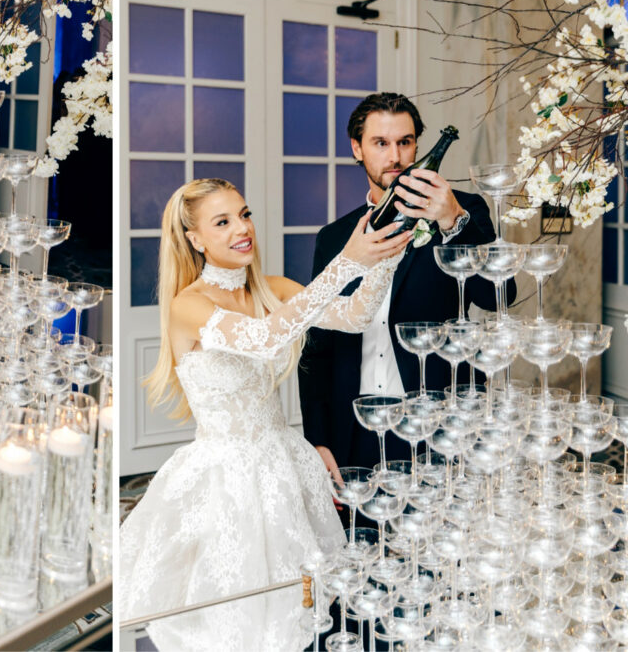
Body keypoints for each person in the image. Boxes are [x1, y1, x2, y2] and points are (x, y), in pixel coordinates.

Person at [118, 178, 411, 651]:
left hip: (284, 466)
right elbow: (267, 338)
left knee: (296, 609)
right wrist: (347, 261)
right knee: (233, 615)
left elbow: (355, 315)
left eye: (245, 214)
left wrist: (385, 256)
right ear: (195, 239)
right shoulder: (189, 304)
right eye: (223, 221)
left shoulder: (273, 289)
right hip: (224, 479)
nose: (242, 228)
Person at [298, 92, 512, 477]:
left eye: (405, 142)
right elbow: (317, 350)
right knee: (360, 535)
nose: (395, 157)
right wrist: (317, 439)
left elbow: (499, 296)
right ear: (356, 149)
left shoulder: (462, 208)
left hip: (440, 421)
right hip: (356, 424)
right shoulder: (332, 238)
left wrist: (453, 221)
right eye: (380, 143)